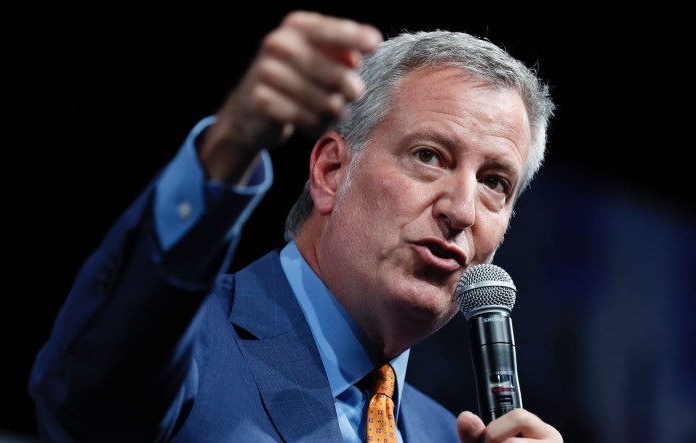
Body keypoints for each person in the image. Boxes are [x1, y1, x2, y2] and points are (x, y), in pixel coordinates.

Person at [28, 10, 560, 443]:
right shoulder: (187, 344)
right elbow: (87, 397)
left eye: (495, 181)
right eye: (429, 155)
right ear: (331, 171)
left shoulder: (453, 436)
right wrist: (227, 152)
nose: (463, 210)